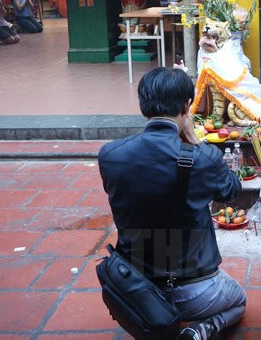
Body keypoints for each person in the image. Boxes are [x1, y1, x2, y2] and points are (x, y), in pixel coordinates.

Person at [98, 67, 247, 340]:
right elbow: (232, 191)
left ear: (143, 104)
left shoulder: (110, 154)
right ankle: (199, 330)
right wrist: (194, 141)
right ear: (187, 106)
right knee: (238, 299)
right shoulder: (203, 157)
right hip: (194, 289)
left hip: (134, 286)